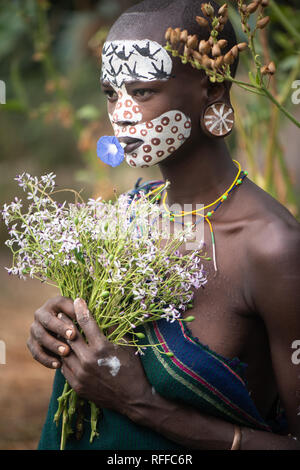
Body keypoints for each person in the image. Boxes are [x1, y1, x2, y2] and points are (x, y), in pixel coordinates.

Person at [27, 0, 300, 450]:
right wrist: (61, 331)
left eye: (144, 90)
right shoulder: (131, 214)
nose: (121, 114)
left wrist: (143, 404)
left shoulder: (273, 248)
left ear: (213, 90)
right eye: (111, 93)